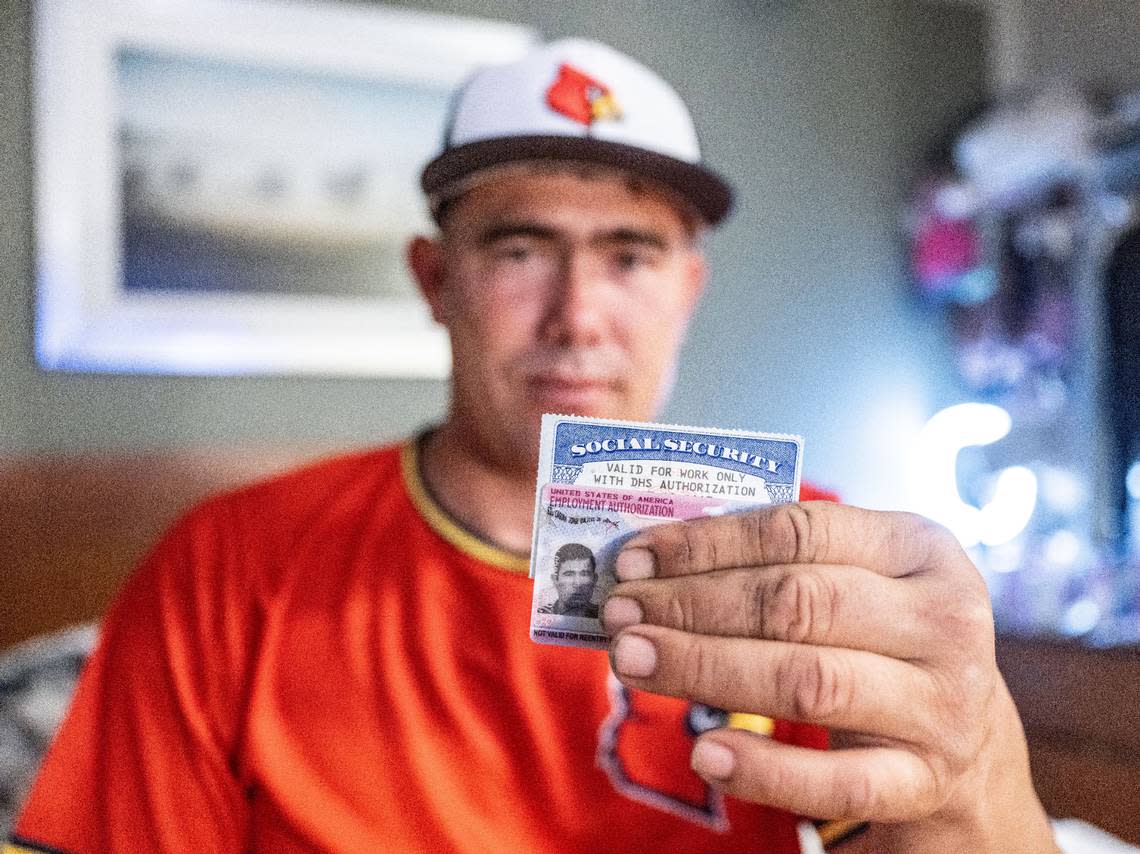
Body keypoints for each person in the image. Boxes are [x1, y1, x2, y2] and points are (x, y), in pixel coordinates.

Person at [8, 38, 1061, 854]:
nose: (577, 315)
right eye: (521, 249)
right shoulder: (227, 567)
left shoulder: (809, 569)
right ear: (434, 278)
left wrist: (980, 782)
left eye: (630, 253)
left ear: (688, 289)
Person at [538, 542, 600, 618]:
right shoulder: (540, 615)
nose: (578, 584)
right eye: (569, 574)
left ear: (595, 579)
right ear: (555, 580)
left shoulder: (604, 615)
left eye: (584, 574)